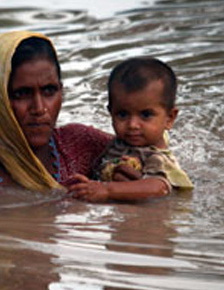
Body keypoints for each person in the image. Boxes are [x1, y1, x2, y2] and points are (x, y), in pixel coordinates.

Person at [0, 31, 113, 195]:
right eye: (22, 94)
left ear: (61, 91)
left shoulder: (83, 144)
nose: (39, 109)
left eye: (49, 91)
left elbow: (135, 156)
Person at [69, 57, 193, 202]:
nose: (132, 125)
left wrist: (106, 190)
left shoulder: (155, 156)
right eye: (122, 114)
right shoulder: (121, 143)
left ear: (169, 118)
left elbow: (159, 187)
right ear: (111, 112)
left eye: (146, 115)